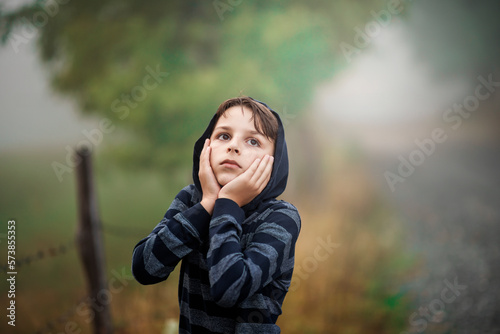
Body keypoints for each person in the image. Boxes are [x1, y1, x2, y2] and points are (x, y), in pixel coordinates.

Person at [132, 96, 301, 333]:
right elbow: (144, 268)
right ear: (206, 147)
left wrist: (228, 204)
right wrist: (208, 204)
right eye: (224, 136)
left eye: (253, 141)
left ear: (274, 163)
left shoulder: (280, 218)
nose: (233, 146)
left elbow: (229, 288)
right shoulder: (192, 200)